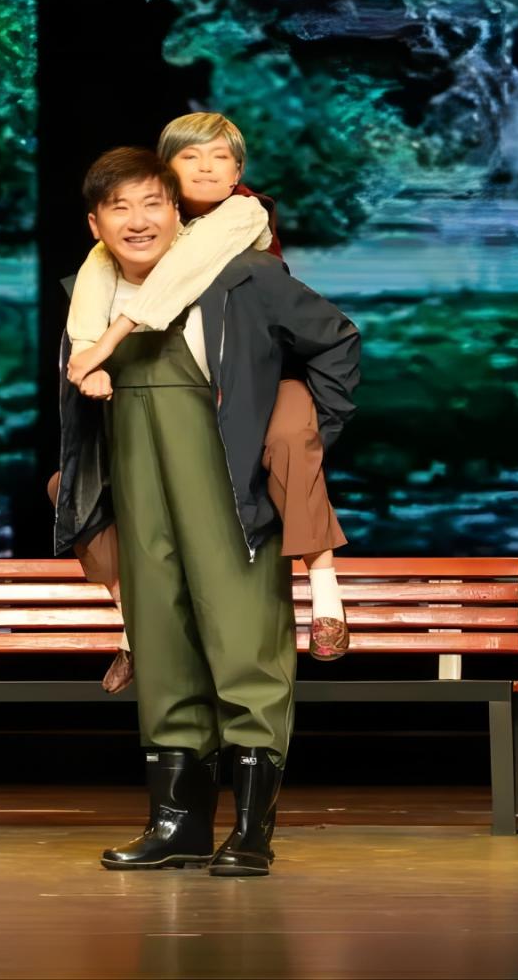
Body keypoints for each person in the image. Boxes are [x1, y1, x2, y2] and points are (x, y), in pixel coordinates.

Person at [55, 148, 361, 877]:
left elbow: (337, 341)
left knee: (245, 647)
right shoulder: (87, 303)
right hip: (141, 492)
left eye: (152, 204)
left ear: (177, 212)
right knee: (163, 652)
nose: (138, 222)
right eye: (120, 208)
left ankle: (251, 831)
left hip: (229, 495)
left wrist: (299, 439)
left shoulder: (242, 277)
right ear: (96, 224)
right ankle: (177, 823)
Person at [57, 113, 353, 695]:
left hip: (269, 381)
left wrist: (325, 420)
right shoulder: (141, 234)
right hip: (180, 421)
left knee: (292, 442)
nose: (207, 169)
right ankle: (133, 627)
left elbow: (175, 284)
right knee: (74, 493)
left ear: (239, 172)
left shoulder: (239, 219)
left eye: (221, 159)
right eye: (190, 158)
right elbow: (96, 270)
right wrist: (85, 355)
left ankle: (326, 594)